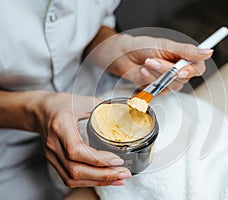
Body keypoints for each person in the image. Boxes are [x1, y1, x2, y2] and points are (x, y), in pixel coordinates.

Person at [0, 1, 213, 199]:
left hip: (94, 91)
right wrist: (35, 110)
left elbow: (78, 26)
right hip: (10, 148)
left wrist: (116, 49)